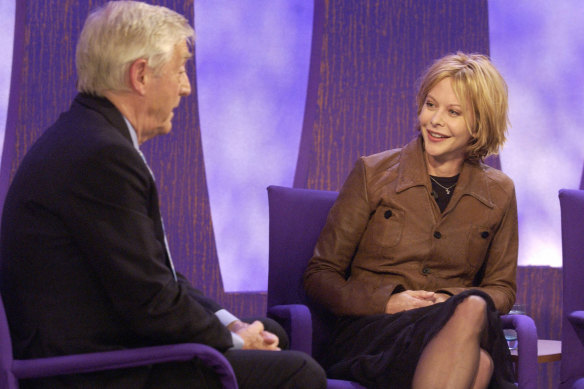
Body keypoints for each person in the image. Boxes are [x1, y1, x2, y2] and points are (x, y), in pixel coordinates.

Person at [0, 2, 326, 388]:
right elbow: (152, 304)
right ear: (140, 75)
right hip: (93, 370)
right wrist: (236, 341)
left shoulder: (89, 138)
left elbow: (160, 280)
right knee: (298, 373)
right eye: (180, 71)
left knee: (273, 333)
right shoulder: (100, 156)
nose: (185, 87)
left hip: (109, 347)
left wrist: (233, 326)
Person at [303, 52, 517, 389]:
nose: (435, 120)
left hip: (451, 327)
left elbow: (502, 289)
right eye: (431, 105)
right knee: (480, 360)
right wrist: (387, 301)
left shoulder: (499, 192)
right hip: (373, 333)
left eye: (453, 112)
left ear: (480, 124)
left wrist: (451, 301)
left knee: (474, 314)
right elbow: (319, 276)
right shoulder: (372, 174)